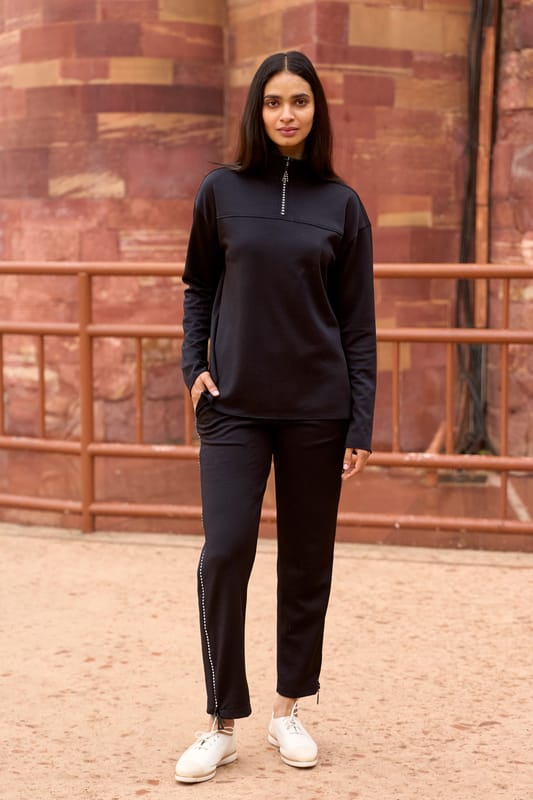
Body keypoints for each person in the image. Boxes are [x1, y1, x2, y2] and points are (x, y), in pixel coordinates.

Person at [175, 50, 376, 784]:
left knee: (306, 560)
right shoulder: (220, 191)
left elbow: (357, 323)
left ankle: (289, 709)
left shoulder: (342, 204)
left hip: (317, 411)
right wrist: (193, 367)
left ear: (316, 110)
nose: (286, 114)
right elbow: (198, 285)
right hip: (233, 407)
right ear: (256, 110)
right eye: (273, 102)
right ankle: (220, 722)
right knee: (225, 551)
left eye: (299, 101)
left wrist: (360, 421)